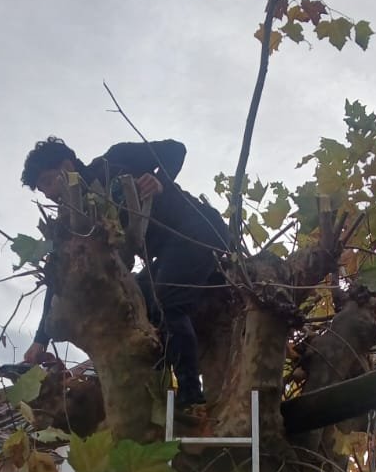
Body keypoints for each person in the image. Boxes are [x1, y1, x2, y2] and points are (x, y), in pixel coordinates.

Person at [20, 136, 231, 410]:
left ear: (67, 165)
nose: (48, 193)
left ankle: (190, 394)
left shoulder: (115, 162)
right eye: (42, 189)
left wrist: (160, 182)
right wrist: (40, 339)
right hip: (167, 253)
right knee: (138, 300)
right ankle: (153, 383)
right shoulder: (79, 218)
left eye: (48, 181)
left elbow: (174, 150)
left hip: (198, 230)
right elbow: (61, 275)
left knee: (167, 300)